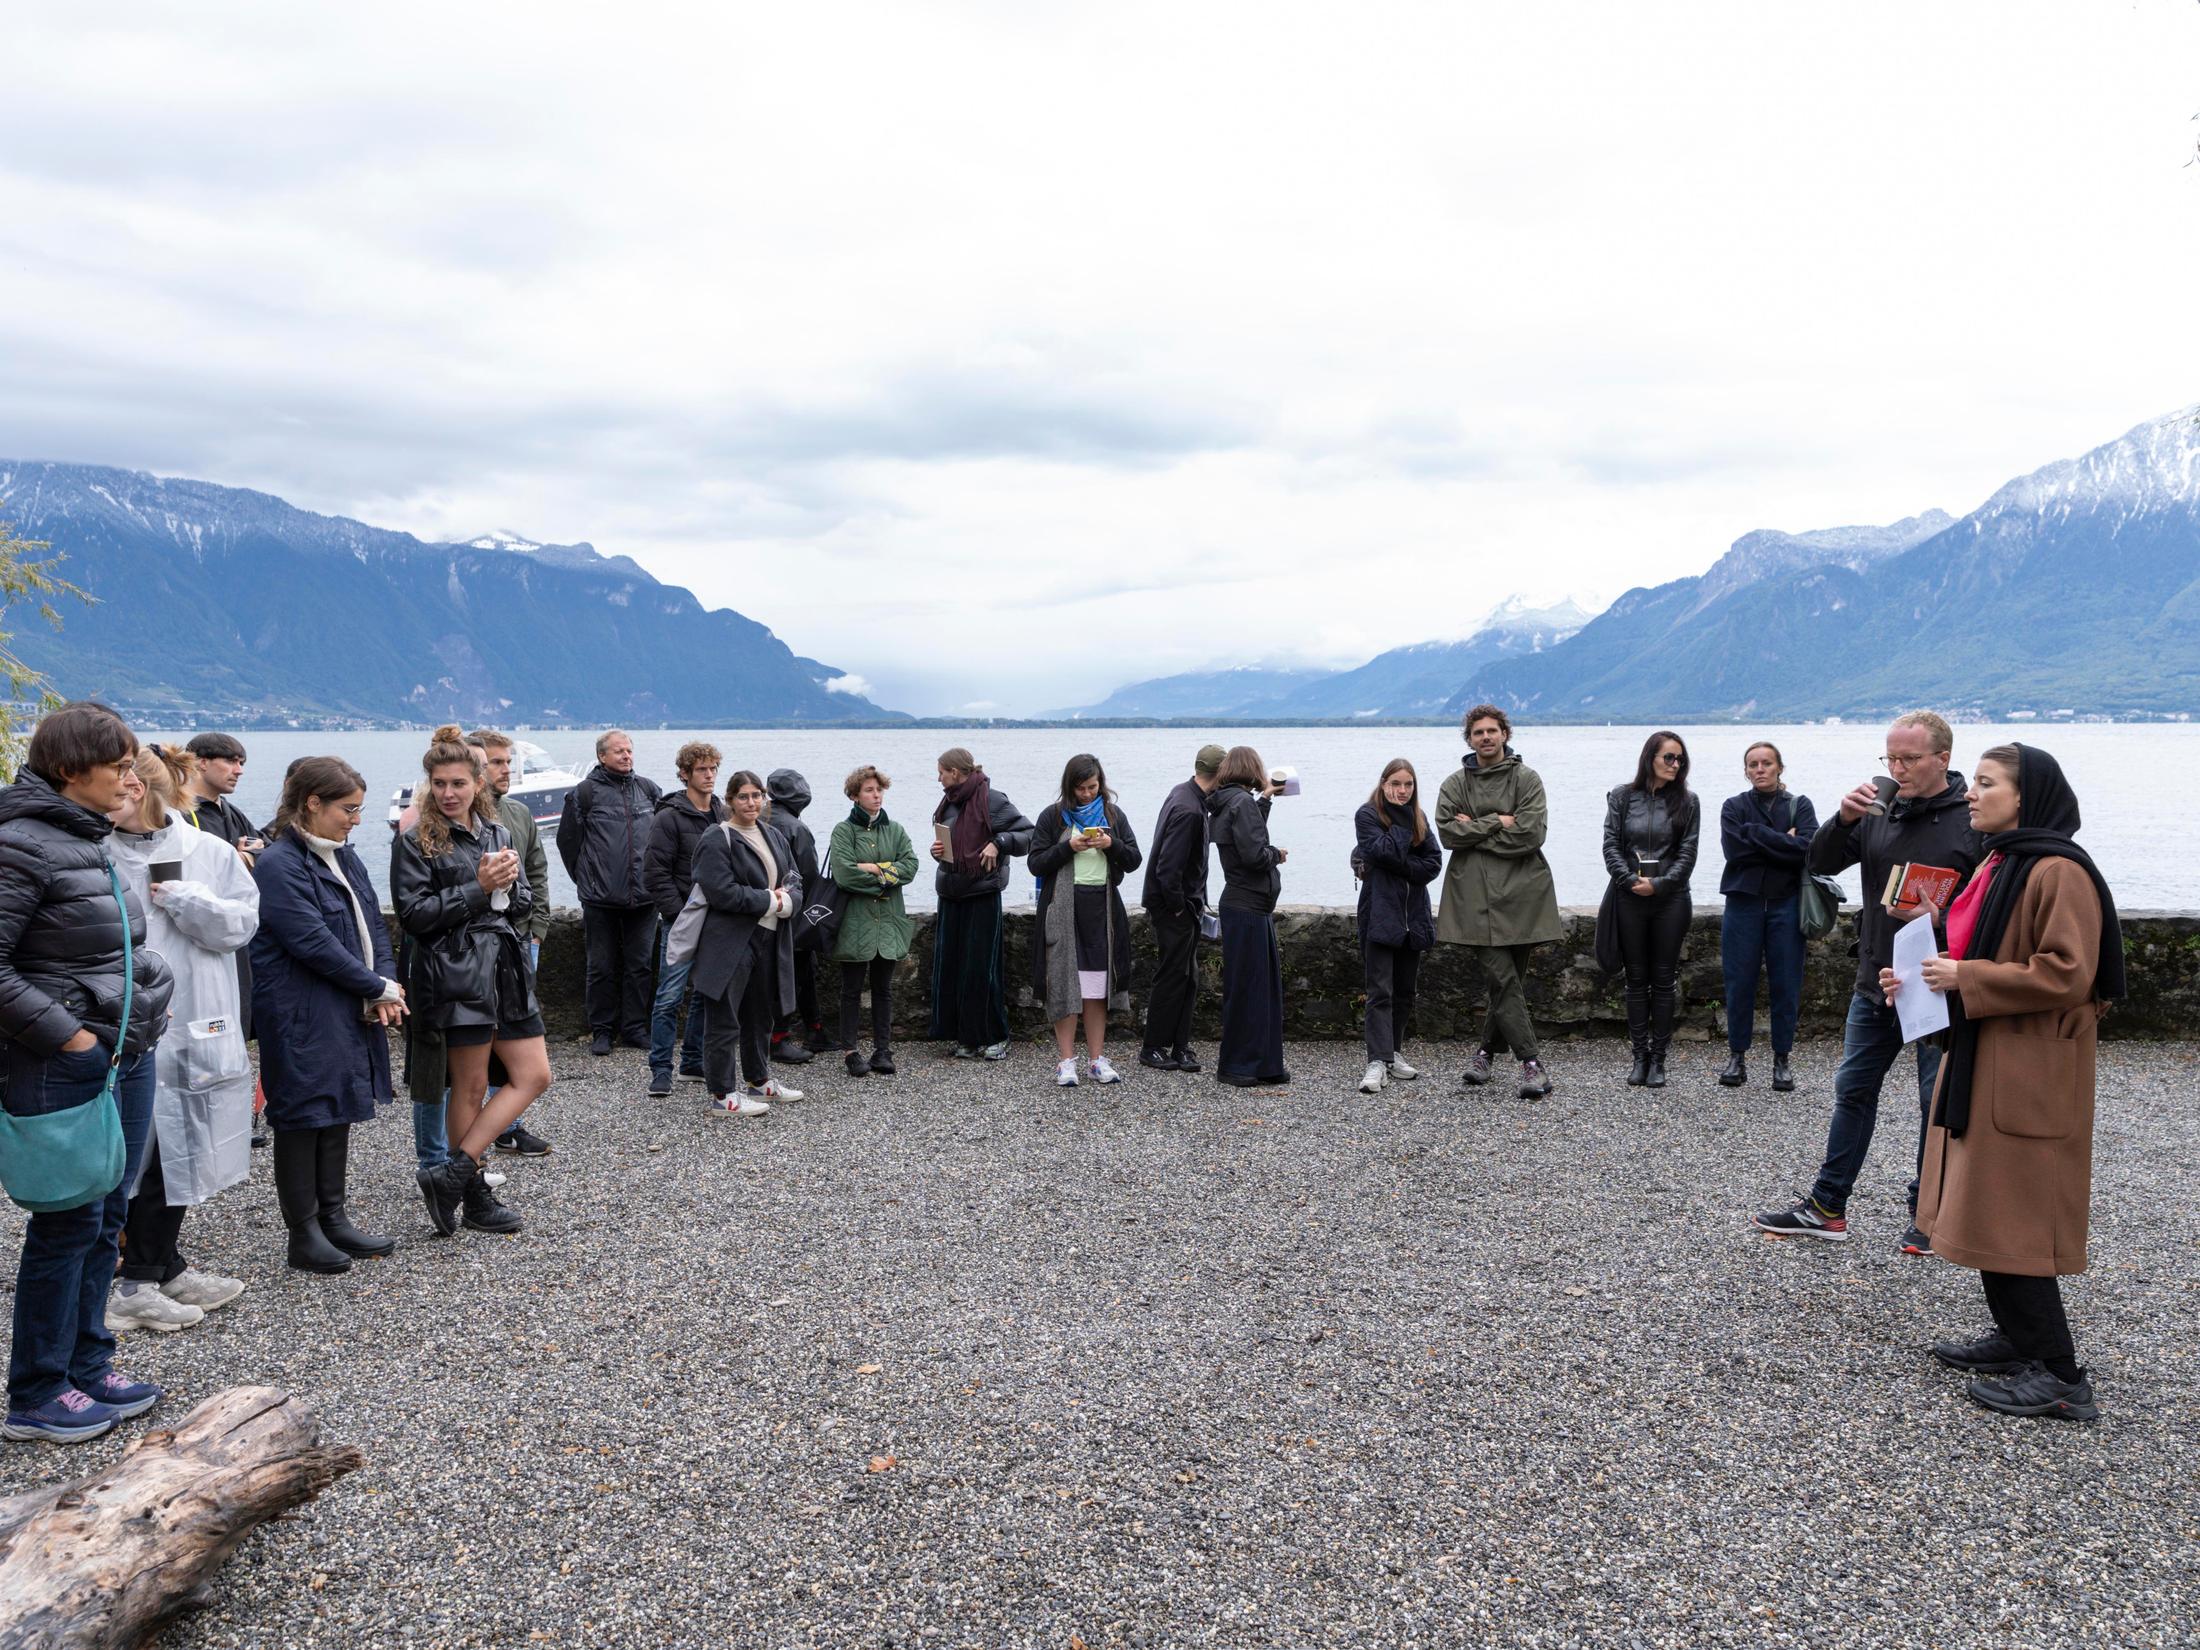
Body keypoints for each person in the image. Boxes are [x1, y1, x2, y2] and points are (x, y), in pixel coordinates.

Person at [1889, 745, 2122, 1422]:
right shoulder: (2003, 862)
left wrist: (1966, 979)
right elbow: (1967, 953)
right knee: (1991, 1204)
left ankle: (2058, 1375)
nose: (1972, 793)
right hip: (1989, 1056)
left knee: (2015, 1211)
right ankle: (2019, 1340)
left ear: (2025, 798)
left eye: (1987, 784)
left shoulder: (2056, 871)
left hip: (2027, 1071)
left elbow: (2067, 973)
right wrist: (1917, 980)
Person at [0, 703, 176, 1444]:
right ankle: (37, 1393)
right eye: (119, 768)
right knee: (67, 1220)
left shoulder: (82, 835)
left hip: (121, 1055)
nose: (132, 781)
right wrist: (71, 1039)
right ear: (73, 771)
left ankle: (86, 1363)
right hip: (67, 1063)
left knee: (107, 1216)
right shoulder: (20, 844)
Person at [1754, 710, 1983, 1254]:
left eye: (1908, 759)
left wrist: (1941, 922)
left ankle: (1928, 1213)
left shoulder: (1973, 820)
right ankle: (1827, 1206)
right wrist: (1843, 818)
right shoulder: (1881, 806)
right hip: (1877, 976)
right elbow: (1821, 860)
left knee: (1937, 1103)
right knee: (1852, 1091)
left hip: (1939, 980)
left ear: (1942, 759)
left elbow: (1991, 908)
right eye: (1890, 758)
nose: (1897, 768)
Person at [104, 745, 258, 1334]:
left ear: (137, 790)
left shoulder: (208, 852)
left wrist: (194, 904)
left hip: (199, 1015)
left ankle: (161, 1266)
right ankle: (133, 1280)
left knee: (182, 1145)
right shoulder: (100, 855)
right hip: (132, 1024)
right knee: (136, 1153)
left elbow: (244, 925)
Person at [397, 728, 551, 1239]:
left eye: (458, 782)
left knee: (534, 1074)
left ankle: (453, 1173)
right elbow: (415, 917)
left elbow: (523, 903)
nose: (448, 793)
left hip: (505, 966)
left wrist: (509, 888)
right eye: (439, 783)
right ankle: (475, 1192)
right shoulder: (415, 840)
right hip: (455, 970)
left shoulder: (497, 832)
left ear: (477, 782)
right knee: (466, 1087)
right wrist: (479, 888)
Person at [251, 756, 402, 1273]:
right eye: (348, 808)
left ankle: (332, 1217)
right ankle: (304, 1231)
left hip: (343, 1004)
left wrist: (382, 982)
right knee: (301, 1113)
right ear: (312, 803)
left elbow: (374, 926)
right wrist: (376, 984)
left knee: (337, 1106)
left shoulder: (345, 855)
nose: (355, 819)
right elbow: (310, 941)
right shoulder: (278, 864)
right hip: (298, 1008)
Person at [1435, 705, 1563, 1100]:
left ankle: (1484, 1054)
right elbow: (1447, 835)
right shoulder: (1455, 783)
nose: (1486, 738)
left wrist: (1473, 826)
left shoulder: (1527, 779)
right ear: (1469, 739)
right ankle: (1532, 1065)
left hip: (1525, 895)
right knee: (1503, 979)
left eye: (1493, 731)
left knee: (1509, 983)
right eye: (1478, 733)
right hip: (1474, 898)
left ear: (1505, 734)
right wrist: (1496, 821)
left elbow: (1530, 834)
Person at [691, 770, 805, 1114]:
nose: (751, 802)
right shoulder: (717, 837)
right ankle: (723, 1094)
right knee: (724, 1018)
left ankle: (759, 1081)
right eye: (743, 796)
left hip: (770, 936)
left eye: (757, 795)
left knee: (760, 1015)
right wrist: (770, 901)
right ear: (729, 801)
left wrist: (789, 902)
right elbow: (720, 891)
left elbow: (794, 878)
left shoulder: (773, 834)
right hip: (729, 941)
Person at [1028, 755, 1143, 1088]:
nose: (1087, 794)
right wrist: (1068, 847)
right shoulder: (1052, 817)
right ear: (1070, 786)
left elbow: (1134, 859)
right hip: (1063, 909)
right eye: (1080, 788)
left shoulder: (1113, 815)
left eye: (1092, 787)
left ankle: (1096, 1060)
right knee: (1064, 983)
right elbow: (1036, 863)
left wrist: (1111, 845)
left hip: (1101, 910)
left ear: (1101, 783)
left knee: (1096, 988)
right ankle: (1066, 1062)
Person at [1601, 731, 1701, 1090]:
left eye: (1680, 759)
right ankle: (1638, 1057)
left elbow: (1688, 854)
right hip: (1629, 898)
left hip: (1670, 901)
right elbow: (1611, 843)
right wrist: (1629, 881)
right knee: (1634, 981)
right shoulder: (1622, 797)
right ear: (1650, 759)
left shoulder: (1688, 802)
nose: (1676, 765)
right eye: (1669, 758)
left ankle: (1659, 1059)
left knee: (1663, 980)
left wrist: (1658, 885)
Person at [1718, 741, 1819, 1092]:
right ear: (1746, 770)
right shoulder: (1733, 806)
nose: (1760, 769)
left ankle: (1782, 1060)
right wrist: (1780, 840)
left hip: (1786, 903)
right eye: (1753, 764)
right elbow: (1734, 851)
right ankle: (1737, 1056)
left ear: (1779, 768)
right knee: (1738, 981)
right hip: (1743, 902)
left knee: (1786, 983)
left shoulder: (1799, 805)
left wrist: (1755, 836)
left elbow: (1807, 849)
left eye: (1766, 763)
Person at [557, 729, 662, 1056]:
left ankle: (634, 1029)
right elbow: (567, 843)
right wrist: (586, 880)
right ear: (602, 756)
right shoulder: (584, 794)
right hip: (599, 899)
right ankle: (601, 1030)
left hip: (644, 898)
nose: (626, 756)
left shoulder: (649, 790)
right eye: (618, 751)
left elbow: (661, 839)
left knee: (640, 965)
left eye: (629, 750)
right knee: (600, 966)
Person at [927, 748, 1033, 1060]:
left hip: (982, 895)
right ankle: (966, 1037)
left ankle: (995, 1035)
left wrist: (998, 843)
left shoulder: (992, 799)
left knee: (981, 970)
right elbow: (954, 843)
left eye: (942, 772)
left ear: (957, 773)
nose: (939, 778)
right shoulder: (949, 801)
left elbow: (1027, 833)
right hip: (951, 893)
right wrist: (938, 851)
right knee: (954, 969)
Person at [1354, 758, 1442, 1095]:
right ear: (1383, 783)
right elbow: (1381, 850)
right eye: (1396, 784)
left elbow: (1432, 864)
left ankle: (1392, 1053)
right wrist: (1404, 830)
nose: (1402, 791)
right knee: (1380, 992)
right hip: (1380, 915)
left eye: (1408, 785)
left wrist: (1399, 864)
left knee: (1405, 991)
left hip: (1413, 918)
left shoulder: (1419, 817)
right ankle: (1376, 1061)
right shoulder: (1367, 815)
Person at [642, 741, 724, 1097]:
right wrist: (677, 914)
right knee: (669, 996)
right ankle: (660, 1069)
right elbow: (654, 871)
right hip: (681, 918)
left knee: (706, 993)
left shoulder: (721, 812)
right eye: (702, 770)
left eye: (712, 769)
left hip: (715, 918)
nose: (709, 776)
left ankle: (692, 1060)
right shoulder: (669, 816)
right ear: (685, 774)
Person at [1205, 746, 1289, 1088]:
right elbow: (1254, 854)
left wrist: (1266, 799)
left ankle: (1263, 1063)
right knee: (1250, 988)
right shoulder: (1239, 803)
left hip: (1246, 904)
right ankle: (1237, 1065)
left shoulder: (1230, 802)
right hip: (1248, 905)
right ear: (1252, 768)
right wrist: (1277, 855)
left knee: (1258, 987)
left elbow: (1246, 834)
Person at [829, 766, 918, 1078]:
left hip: (888, 923)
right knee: (851, 989)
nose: (876, 795)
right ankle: (850, 1050)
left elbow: (910, 866)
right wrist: (884, 876)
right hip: (855, 922)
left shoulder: (895, 830)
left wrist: (875, 870)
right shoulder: (843, 831)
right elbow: (844, 873)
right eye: (868, 790)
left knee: (883, 989)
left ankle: (883, 1049)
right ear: (855, 795)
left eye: (879, 789)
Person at [1138, 745, 1221, 1073]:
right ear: (1220, 774)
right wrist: (1178, 908)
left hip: (1184, 904)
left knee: (1188, 977)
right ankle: (1153, 1046)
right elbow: (1167, 868)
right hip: (1175, 906)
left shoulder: (1185, 793)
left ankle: (1179, 1044)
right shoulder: (1188, 809)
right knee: (1174, 976)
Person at [766, 769, 829, 1063]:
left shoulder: (761, 819)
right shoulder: (796, 829)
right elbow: (809, 875)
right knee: (798, 974)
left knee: (776, 975)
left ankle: (806, 1031)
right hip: (792, 912)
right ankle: (785, 1036)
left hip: (763, 908)